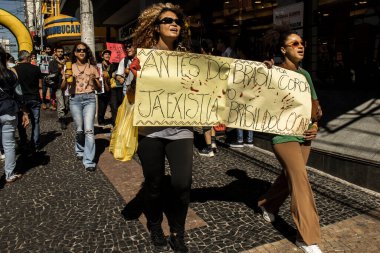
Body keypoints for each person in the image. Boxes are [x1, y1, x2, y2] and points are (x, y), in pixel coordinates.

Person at [132, 3, 192, 252]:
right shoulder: (142, 58)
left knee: (181, 183)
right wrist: (133, 79)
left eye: (177, 20)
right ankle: (155, 225)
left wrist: (264, 69)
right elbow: (131, 98)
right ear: (156, 28)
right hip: (150, 131)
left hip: (181, 129)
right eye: (167, 20)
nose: (174, 23)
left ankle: (178, 230)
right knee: (153, 183)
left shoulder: (190, 58)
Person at [257, 30, 323, 253]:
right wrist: (263, 70)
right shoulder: (272, 71)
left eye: (302, 43)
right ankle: (307, 238)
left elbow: (315, 108)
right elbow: (252, 93)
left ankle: (267, 203)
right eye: (294, 43)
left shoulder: (305, 75)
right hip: (283, 137)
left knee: (290, 177)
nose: (301, 46)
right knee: (300, 180)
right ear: (283, 50)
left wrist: (315, 126)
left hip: (304, 136)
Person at [61, 42, 101, 172]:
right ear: (75, 52)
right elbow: (62, 88)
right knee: (79, 129)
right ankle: (79, 149)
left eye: (84, 50)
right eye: (78, 50)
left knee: (89, 130)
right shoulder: (69, 67)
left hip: (90, 99)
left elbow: (100, 89)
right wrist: (65, 79)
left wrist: (95, 80)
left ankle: (89, 160)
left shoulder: (93, 67)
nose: (81, 52)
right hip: (75, 100)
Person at [0, 46, 29, 183]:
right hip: (8, 111)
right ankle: (9, 174)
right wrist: (24, 111)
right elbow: (18, 93)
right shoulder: (10, 74)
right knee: (9, 145)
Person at [14, 50, 43, 151]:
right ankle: (35, 144)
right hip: (34, 98)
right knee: (35, 122)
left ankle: (23, 142)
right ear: (27, 58)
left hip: (20, 100)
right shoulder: (36, 69)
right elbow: (40, 85)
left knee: (21, 123)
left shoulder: (14, 70)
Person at [48, 46, 67, 130]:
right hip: (58, 85)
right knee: (61, 104)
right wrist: (59, 70)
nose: (60, 53)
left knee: (66, 103)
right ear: (55, 52)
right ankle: (62, 120)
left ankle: (63, 116)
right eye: (59, 51)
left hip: (67, 85)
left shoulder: (66, 61)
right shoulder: (52, 62)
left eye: (61, 51)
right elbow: (51, 74)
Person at [97, 49, 114, 126]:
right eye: (106, 54)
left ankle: (113, 119)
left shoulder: (112, 65)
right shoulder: (99, 66)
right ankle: (100, 120)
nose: (107, 55)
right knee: (102, 105)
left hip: (110, 88)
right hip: (102, 88)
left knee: (111, 104)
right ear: (102, 56)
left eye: (108, 54)